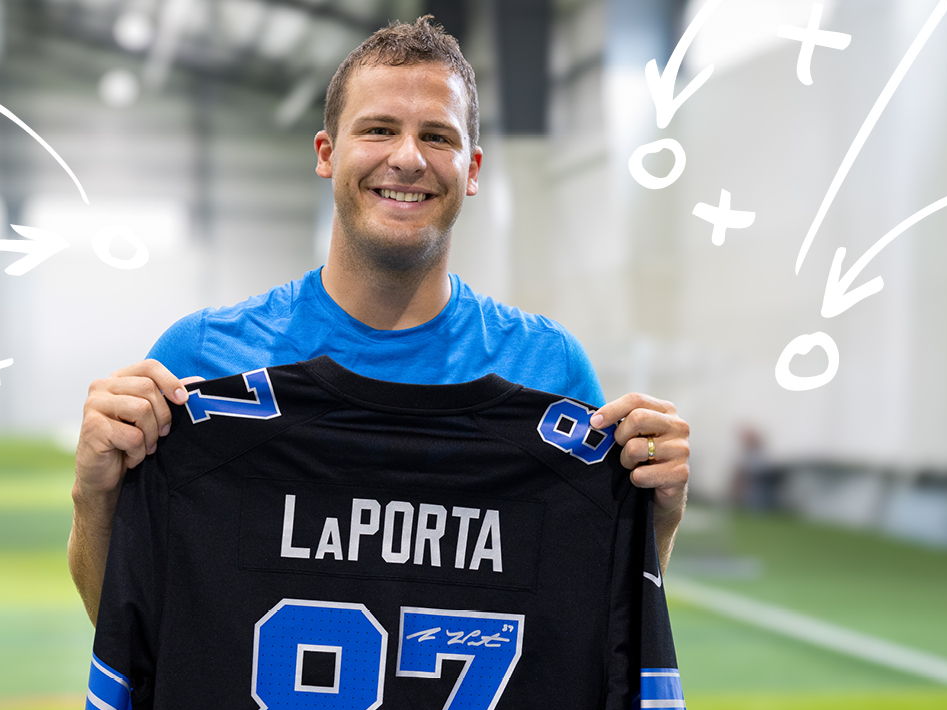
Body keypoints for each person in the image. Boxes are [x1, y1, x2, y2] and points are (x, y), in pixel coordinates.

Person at [68, 17, 690, 626]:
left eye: (439, 137)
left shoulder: (549, 371)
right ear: (326, 154)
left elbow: (593, 623)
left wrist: (653, 521)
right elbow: (133, 632)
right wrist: (93, 499)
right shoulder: (203, 364)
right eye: (379, 129)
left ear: (472, 169)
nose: (408, 158)